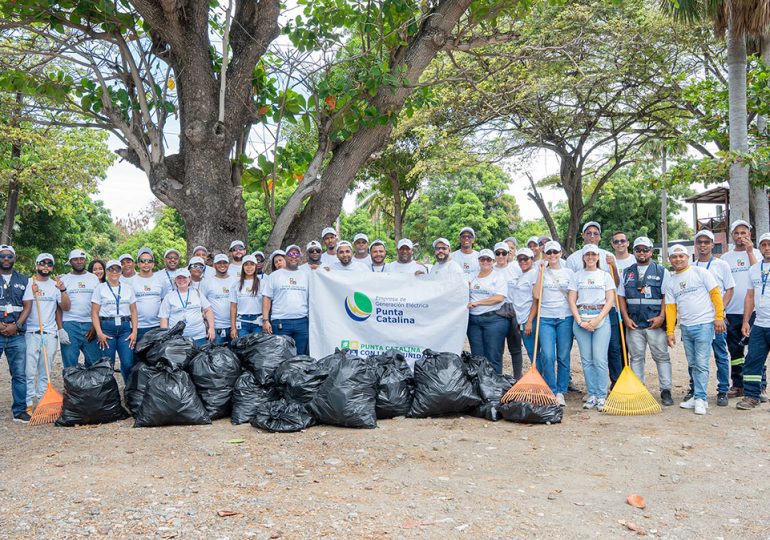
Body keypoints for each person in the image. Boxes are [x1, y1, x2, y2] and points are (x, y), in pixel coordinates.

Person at [664, 244, 725, 415]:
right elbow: (671, 308)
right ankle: (697, 396)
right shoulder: (671, 281)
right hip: (686, 327)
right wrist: (670, 331)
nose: (678, 259)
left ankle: (701, 398)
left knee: (701, 363)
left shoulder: (700, 273)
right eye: (674, 257)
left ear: (688, 257)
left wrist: (718, 317)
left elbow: (716, 295)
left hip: (704, 324)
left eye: (681, 256)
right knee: (692, 363)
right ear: (670, 260)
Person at [566, 221, 623, 387]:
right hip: (581, 313)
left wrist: (612, 265)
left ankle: (614, 385)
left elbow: (615, 285)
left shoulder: (607, 256)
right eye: (588, 233)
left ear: (600, 236)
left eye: (595, 233)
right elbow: (570, 290)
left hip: (605, 311)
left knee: (611, 349)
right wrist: (580, 318)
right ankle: (591, 391)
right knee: (587, 356)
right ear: (583, 235)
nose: (592, 236)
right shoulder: (572, 259)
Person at [617, 237, 673, 406]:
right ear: (633, 252)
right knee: (636, 358)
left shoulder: (662, 271)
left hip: (654, 323)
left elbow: (666, 297)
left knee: (661, 357)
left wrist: (662, 317)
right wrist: (625, 318)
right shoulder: (627, 272)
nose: (642, 253)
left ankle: (666, 390)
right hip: (634, 324)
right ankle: (638, 389)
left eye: (645, 250)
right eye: (638, 250)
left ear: (651, 251)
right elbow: (621, 296)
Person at [568, 244, 616, 411]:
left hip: (600, 319)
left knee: (600, 359)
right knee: (587, 360)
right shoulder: (576, 276)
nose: (590, 257)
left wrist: (597, 319)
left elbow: (610, 300)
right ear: (583, 257)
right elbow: (572, 300)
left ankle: (602, 395)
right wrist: (579, 320)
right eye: (587, 254)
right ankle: (592, 393)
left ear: (598, 257)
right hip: (581, 318)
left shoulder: (605, 275)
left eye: (593, 254)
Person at [691, 229, 735, 406]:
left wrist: (720, 313)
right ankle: (694, 389)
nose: (703, 245)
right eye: (699, 242)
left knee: (720, 354)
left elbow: (730, 289)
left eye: (706, 242)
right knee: (696, 357)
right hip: (698, 320)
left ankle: (723, 390)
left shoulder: (721, 264)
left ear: (711, 244)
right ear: (696, 245)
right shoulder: (692, 267)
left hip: (715, 320)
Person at [721, 220, 764, 398]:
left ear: (750, 235)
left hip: (754, 313)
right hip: (732, 311)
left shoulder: (758, 254)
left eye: (743, 233)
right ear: (732, 236)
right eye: (737, 233)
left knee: (756, 351)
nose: (740, 236)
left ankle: (759, 386)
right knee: (735, 351)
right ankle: (738, 385)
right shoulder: (725, 258)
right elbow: (722, 286)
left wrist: (749, 252)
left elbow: (758, 274)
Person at [22, 253, 70, 413]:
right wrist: (32, 292)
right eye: (43, 264)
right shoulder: (29, 283)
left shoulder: (54, 285)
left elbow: (64, 307)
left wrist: (62, 289)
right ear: (36, 265)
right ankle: (28, 403)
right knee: (28, 371)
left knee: (45, 371)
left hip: (49, 333)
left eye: (49, 264)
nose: (46, 267)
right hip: (31, 333)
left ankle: (44, 402)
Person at [532, 241, 574, 399]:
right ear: (545, 254)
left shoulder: (569, 273)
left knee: (563, 355)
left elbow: (573, 295)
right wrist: (540, 273)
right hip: (545, 318)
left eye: (555, 252)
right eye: (549, 253)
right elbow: (536, 295)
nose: (552, 255)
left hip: (565, 318)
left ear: (560, 253)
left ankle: (562, 390)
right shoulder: (542, 270)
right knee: (548, 355)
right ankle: (552, 388)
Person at [91, 260, 138, 383]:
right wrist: (99, 333)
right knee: (107, 364)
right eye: (111, 269)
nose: (114, 272)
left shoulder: (128, 289)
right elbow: (94, 313)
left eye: (117, 269)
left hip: (125, 329)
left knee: (128, 363)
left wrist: (134, 332)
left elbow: (133, 311)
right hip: (107, 328)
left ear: (121, 271)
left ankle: (129, 391)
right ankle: (109, 395)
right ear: (107, 271)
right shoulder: (100, 288)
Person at [737, 233, 770, 409]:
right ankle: (751, 396)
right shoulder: (754, 269)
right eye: (763, 245)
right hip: (760, 325)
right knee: (752, 360)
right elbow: (750, 297)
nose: (767, 248)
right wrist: (745, 321)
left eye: (769, 244)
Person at [0, 245, 31, 422]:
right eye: (2, 256)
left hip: (16, 333)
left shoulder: (24, 280)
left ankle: (19, 411)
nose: (5, 259)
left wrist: (17, 325)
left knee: (19, 373)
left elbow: (27, 306)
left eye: (9, 256)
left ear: (14, 258)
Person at [466, 249, 509, 374]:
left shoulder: (498, 276)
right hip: (474, 321)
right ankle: (481, 385)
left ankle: (495, 386)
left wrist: (478, 302)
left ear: (493, 261)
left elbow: (499, 297)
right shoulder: (471, 276)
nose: (485, 261)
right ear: (478, 261)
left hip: (493, 320)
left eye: (488, 259)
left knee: (493, 354)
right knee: (477, 356)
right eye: (482, 259)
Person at [262, 246, 310, 355]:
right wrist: (265, 320)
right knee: (281, 356)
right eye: (290, 254)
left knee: (301, 355)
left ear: (300, 258)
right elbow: (266, 298)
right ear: (286, 257)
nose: (293, 257)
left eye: (296, 254)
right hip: (280, 322)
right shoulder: (274, 276)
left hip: (302, 322)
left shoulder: (306, 275)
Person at [59, 249, 102, 368]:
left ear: (85, 260)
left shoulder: (93, 278)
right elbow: (61, 308)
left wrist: (95, 325)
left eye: (81, 259)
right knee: (70, 361)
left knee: (95, 361)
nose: (79, 261)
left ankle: (92, 386)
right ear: (70, 262)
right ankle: (70, 386)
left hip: (90, 323)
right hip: (70, 324)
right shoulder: (64, 279)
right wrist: (60, 329)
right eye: (75, 259)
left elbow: (99, 304)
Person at [159, 269, 215, 346]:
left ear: (189, 279)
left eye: (184, 277)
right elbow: (164, 318)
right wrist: (165, 336)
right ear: (175, 280)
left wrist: (211, 328)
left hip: (199, 337)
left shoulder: (197, 293)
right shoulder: (169, 297)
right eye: (179, 278)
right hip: (177, 339)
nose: (181, 280)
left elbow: (208, 310)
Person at [493, 242, 523, 378]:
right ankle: (497, 379)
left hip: (513, 310)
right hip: (497, 311)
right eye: (497, 253)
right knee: (497, 348)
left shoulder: (516, 268)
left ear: (508, 254)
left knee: (515, 348)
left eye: (503, 253)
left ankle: (517, 378)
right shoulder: (490, 270)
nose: (500, 256)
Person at [129, 247, 165, 344]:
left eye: (149, 261)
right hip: (138, 327)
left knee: (155, 358)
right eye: (143, 261)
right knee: (137, 358)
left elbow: (164, 302)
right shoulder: (131, 281)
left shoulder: (160, 280)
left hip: (157, 326)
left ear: (153, 264)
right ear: (138, 263)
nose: (146, 263)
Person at [510, 248, 538, 366]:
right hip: (522, 319)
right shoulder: (522, 274)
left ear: (532, 259)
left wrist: (529, 321)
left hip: (529, 319)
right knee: (531, 352)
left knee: (534, 352)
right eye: (520, 259)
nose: (522, 261)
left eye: (525, 259)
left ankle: (540, 380)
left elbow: (535, 299)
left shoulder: (534, 273)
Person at [200, 254, 236, 344]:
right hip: (215, 328)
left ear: (228, 264)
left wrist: (234, 327)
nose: (222, 265)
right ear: (214, 265)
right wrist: (208, 326)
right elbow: (202, 306)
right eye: (219, 263)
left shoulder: (236, 281)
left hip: (233, 326)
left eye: (225, 263)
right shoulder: (206, 282)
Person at [230, 254, 262, 339]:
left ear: (255, 266)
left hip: (258, 322)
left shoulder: (262, 283)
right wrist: (233, 328)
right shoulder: (236, 285)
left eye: (251, 264)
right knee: (243, 349)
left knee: (257, 349)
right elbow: (233, 307)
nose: (249, 267)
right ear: (243, 267)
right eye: (246, 264)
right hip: (242, 322)